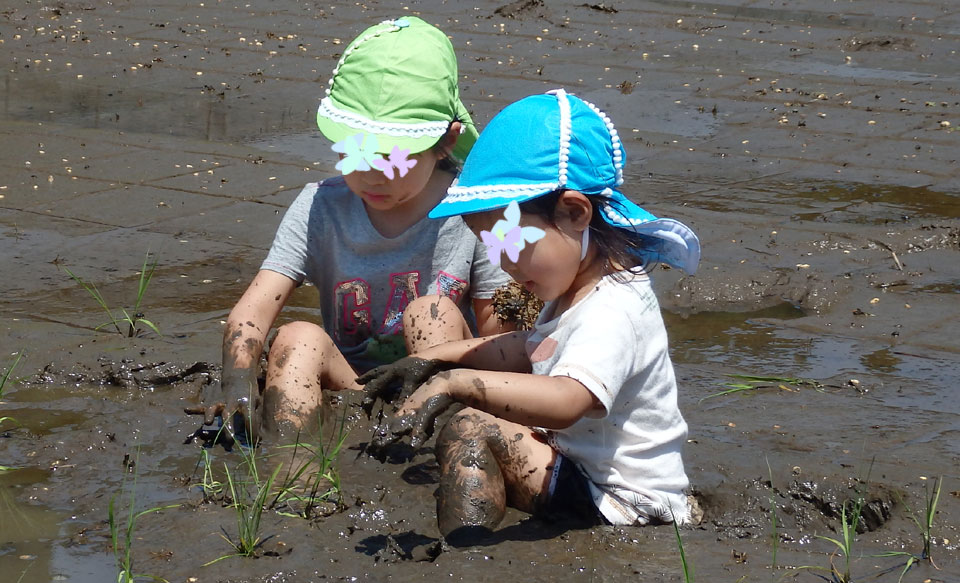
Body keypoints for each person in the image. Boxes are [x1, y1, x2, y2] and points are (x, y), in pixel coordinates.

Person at [360, 89, 701, 540]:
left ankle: (469, 549)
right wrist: (437, 359)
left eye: (512, 243)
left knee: (471, 428)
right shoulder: (578, 287)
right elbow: (529, 348)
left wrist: (455, 383)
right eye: (493, 248)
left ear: (574, 212)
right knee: (480, 419)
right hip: (583, 474)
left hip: (625, 503)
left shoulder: (614, 309)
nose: (505, 264)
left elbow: (567, 401)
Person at [190, 17, 511, 444]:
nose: (372, 175)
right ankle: (291, 465)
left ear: (447, 141)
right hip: (355, 385)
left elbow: (502, 339)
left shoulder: (477, 214)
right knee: (295, 336)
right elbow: (253, 311)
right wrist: (237, 379)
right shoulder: (320, 206)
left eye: (393, 157)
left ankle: (434, 447)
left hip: (441, 388)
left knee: (429, 312)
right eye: (355, 151)